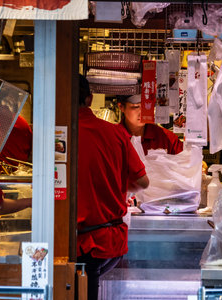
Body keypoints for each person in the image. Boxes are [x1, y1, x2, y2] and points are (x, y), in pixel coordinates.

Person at [77, 75, 149, 300]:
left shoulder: (54, 133)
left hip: (78, 244)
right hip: (108, 242)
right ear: (89, 99)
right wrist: (116, 184)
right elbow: (143, 182)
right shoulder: (116, 133)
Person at [117, 94, 184, 155]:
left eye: (147, 105)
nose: (143, 112)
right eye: (136, 107)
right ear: (121, 107)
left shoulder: (167, 138)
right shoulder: (113, 138)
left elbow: (187, 162)